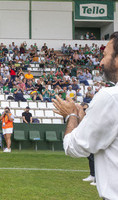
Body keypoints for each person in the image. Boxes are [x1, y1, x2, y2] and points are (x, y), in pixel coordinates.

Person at [53, 32, 118, 199]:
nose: (101, 62)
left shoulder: (110, 96)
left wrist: (71, 116)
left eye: (104, 55)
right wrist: (85, 120)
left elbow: (73, 147)